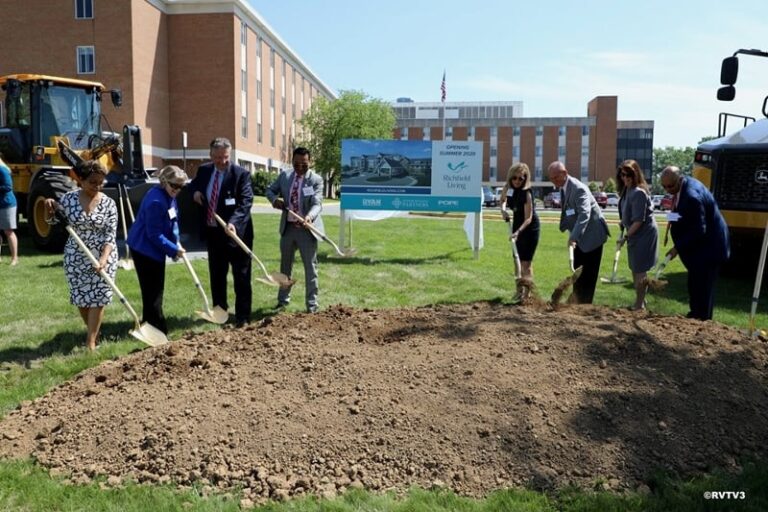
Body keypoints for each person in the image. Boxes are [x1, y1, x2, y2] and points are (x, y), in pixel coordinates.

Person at [45, 161, 118, 351]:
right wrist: (49, 207)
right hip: (76, 255)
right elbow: (54, 220)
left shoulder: (109, 204)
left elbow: (110, 235)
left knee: (99, 297)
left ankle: (90, 341)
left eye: (101, 182)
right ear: (81, 180)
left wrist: (103, 259)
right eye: (93, 182)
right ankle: (94, 331)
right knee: (82, 299)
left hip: (104, 254)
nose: (98, 186)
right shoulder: (68, 199)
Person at [191, 137, 253, 327]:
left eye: (225, 157)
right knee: (217, 275)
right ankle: (220, 313)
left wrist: (233, 223)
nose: (222, 161)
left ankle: (243, 317)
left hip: (237, 234)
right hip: (214, 233)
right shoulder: (204, 171)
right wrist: (194, 192)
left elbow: (245, 202)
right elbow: (193, 185)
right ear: (211, 155)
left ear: (230, 154)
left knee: (241, 276)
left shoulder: (241, 174)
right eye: (217, 157)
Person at [660, 166, 729, 320]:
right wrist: (672, 218)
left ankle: (702, 322)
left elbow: (699, 230)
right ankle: (694, 316)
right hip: (699, 249)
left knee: (703, 288)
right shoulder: (682, 188)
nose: (667, 190)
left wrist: (677, 248)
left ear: (679, 179)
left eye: (670, 186)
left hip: (709, 248)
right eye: (664, 186)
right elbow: (684, 216)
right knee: (694, 284)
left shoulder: (691, 196)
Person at [126, 165, 188, 334]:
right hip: (144, 248)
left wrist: (177, 242)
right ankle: (158, 329)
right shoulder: (156, 201)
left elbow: (173, 220)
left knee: (154, 290)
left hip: (154, 246)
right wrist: (173, 249)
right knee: (153, 292)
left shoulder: (169, 195)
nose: (177, 189)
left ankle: (149, 323)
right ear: (164, 182)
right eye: (174, 185)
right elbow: (153, 234)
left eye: (181, 186)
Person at [266, 147, 324, 313]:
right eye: (297, 164)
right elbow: (269, 190)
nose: (300, 168)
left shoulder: (316, 180)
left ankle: (312, 306)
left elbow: (317, 203)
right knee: (285, 267)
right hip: (288, 228)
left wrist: (309, 217)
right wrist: (274, 200)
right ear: (292, 161)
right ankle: (283, 301)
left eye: (304, 164)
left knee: (310, 268)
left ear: (309, 162)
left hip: (307, 230)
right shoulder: (285, 176)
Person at [547, 161, 610, 304]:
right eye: (551, 178)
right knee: (577, 271)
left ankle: (585, 307)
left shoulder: (578, 189)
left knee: (588, 274)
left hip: (593, 236)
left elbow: (584, 215)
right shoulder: (563, 187)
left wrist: (573, 237)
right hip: (580, 236)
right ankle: (577, 300)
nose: (553, 181)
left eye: (556, 177)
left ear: (564, 173)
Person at [616, 159, 658, 310]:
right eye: (623, 174)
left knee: (640, 270)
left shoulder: (639, 192)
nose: (625, 178)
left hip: (644, 234)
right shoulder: (627, 190)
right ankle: (641, 301)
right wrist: (623, 222)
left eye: (629, 175)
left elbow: (639, 220)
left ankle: (639, 305)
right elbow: (630, 213)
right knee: (634, 268)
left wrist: (625, 237)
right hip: (634, 232)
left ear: (636, 175)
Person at [499, 162, 540, 302]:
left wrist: (517, 232)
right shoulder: (508, 188)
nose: (517, 181)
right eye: (514, 178)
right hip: (516, 224)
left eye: (520, 178)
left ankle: (527, 295)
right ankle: (519, 291)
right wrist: (503, 210)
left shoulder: (527, 193)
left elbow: (528, 218)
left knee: (525, 263)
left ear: (525, 179)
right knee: (516, 261)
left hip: (529, 228)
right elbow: (502, 201)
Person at [0, 153, 19, 266]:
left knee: (8, 231)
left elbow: (8, 186)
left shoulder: (2, 170)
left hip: (7, 203)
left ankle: (15, 258)